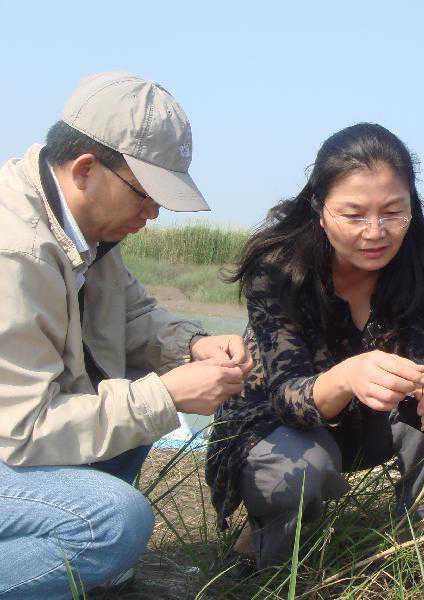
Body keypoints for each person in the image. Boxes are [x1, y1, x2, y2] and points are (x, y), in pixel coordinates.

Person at [206, 123, 424, 569]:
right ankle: (267, 557)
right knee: (297, 475)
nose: (375, 232)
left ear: (412, 204)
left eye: (393, 212)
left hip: (383, 418)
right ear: (319, 208)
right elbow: (285, 397)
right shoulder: (278, 265)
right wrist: (347, 377)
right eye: (353, 215)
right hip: (282, 427)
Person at [0, 71, 252, 599]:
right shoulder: (15, 254)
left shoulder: (84, 230)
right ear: (85, 169)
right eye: (145, 194)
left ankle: (82, 566)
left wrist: (193, 346)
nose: (153, 213)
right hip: (13, 437)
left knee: (142, 373)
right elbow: (21, 431)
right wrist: (167, 396)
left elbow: (132, 317)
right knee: (115, 521)